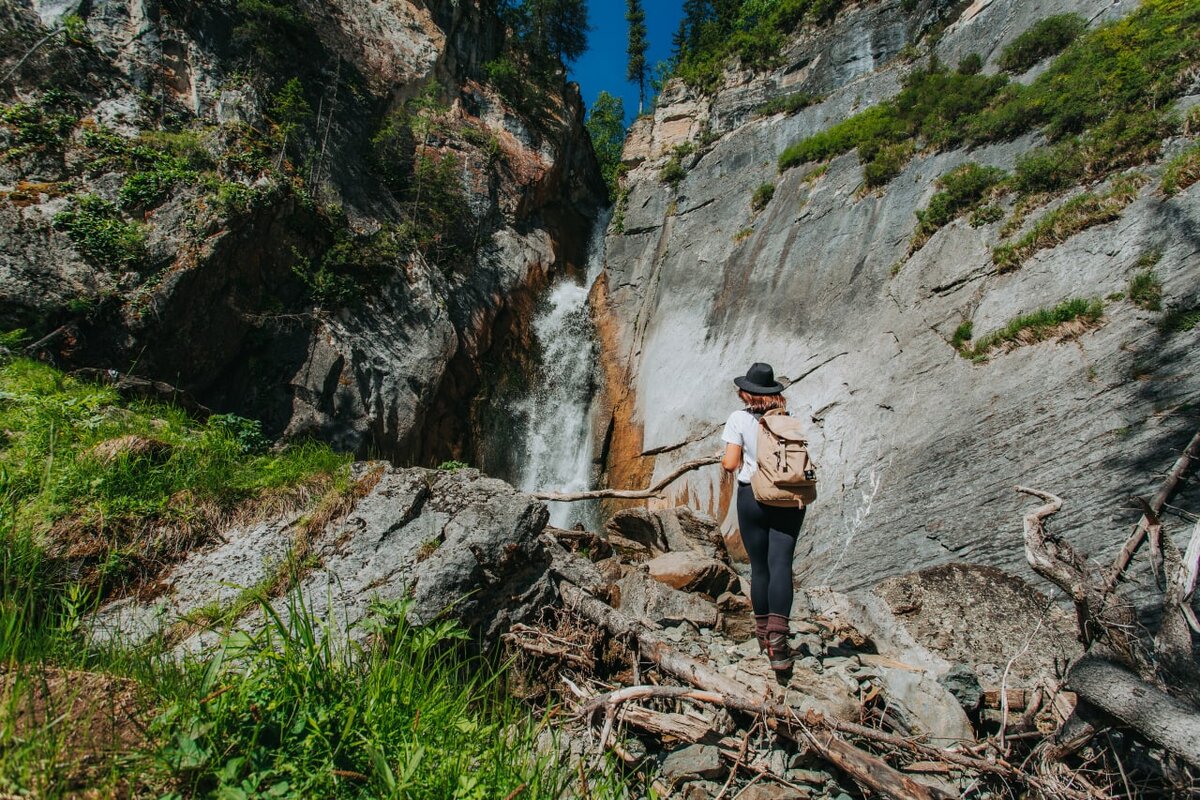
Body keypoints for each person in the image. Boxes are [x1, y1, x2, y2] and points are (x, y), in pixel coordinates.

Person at [720, 362, 805, 671]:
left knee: (759, 567)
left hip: (752, 497)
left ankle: (763, 638)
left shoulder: (739, 418)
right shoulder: (788, 419)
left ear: (746, 393)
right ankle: (780, 646)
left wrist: (735, 455)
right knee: (781, 563)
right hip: (787, 498)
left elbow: (730, 464)